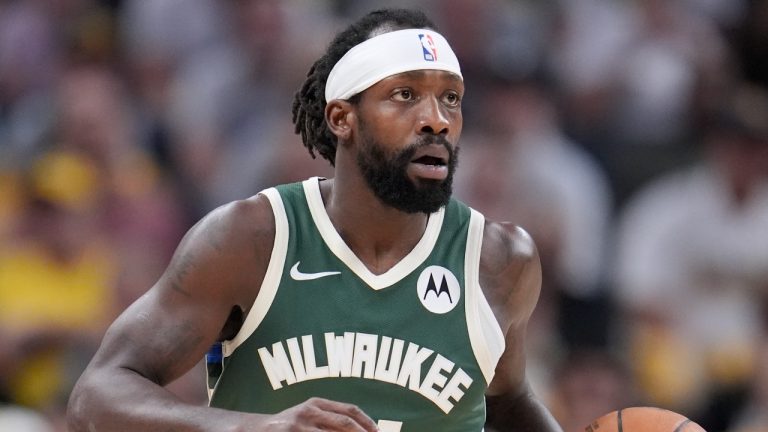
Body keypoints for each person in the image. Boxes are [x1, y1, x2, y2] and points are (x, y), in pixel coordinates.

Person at [67, 8, 563, 432]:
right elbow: (96, 394)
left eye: (450, 98)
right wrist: (255, 426)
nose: (436, 118)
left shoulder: (498, 260)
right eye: (405, 95)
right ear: (341, 118)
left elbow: (507, 401)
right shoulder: (252, 239)